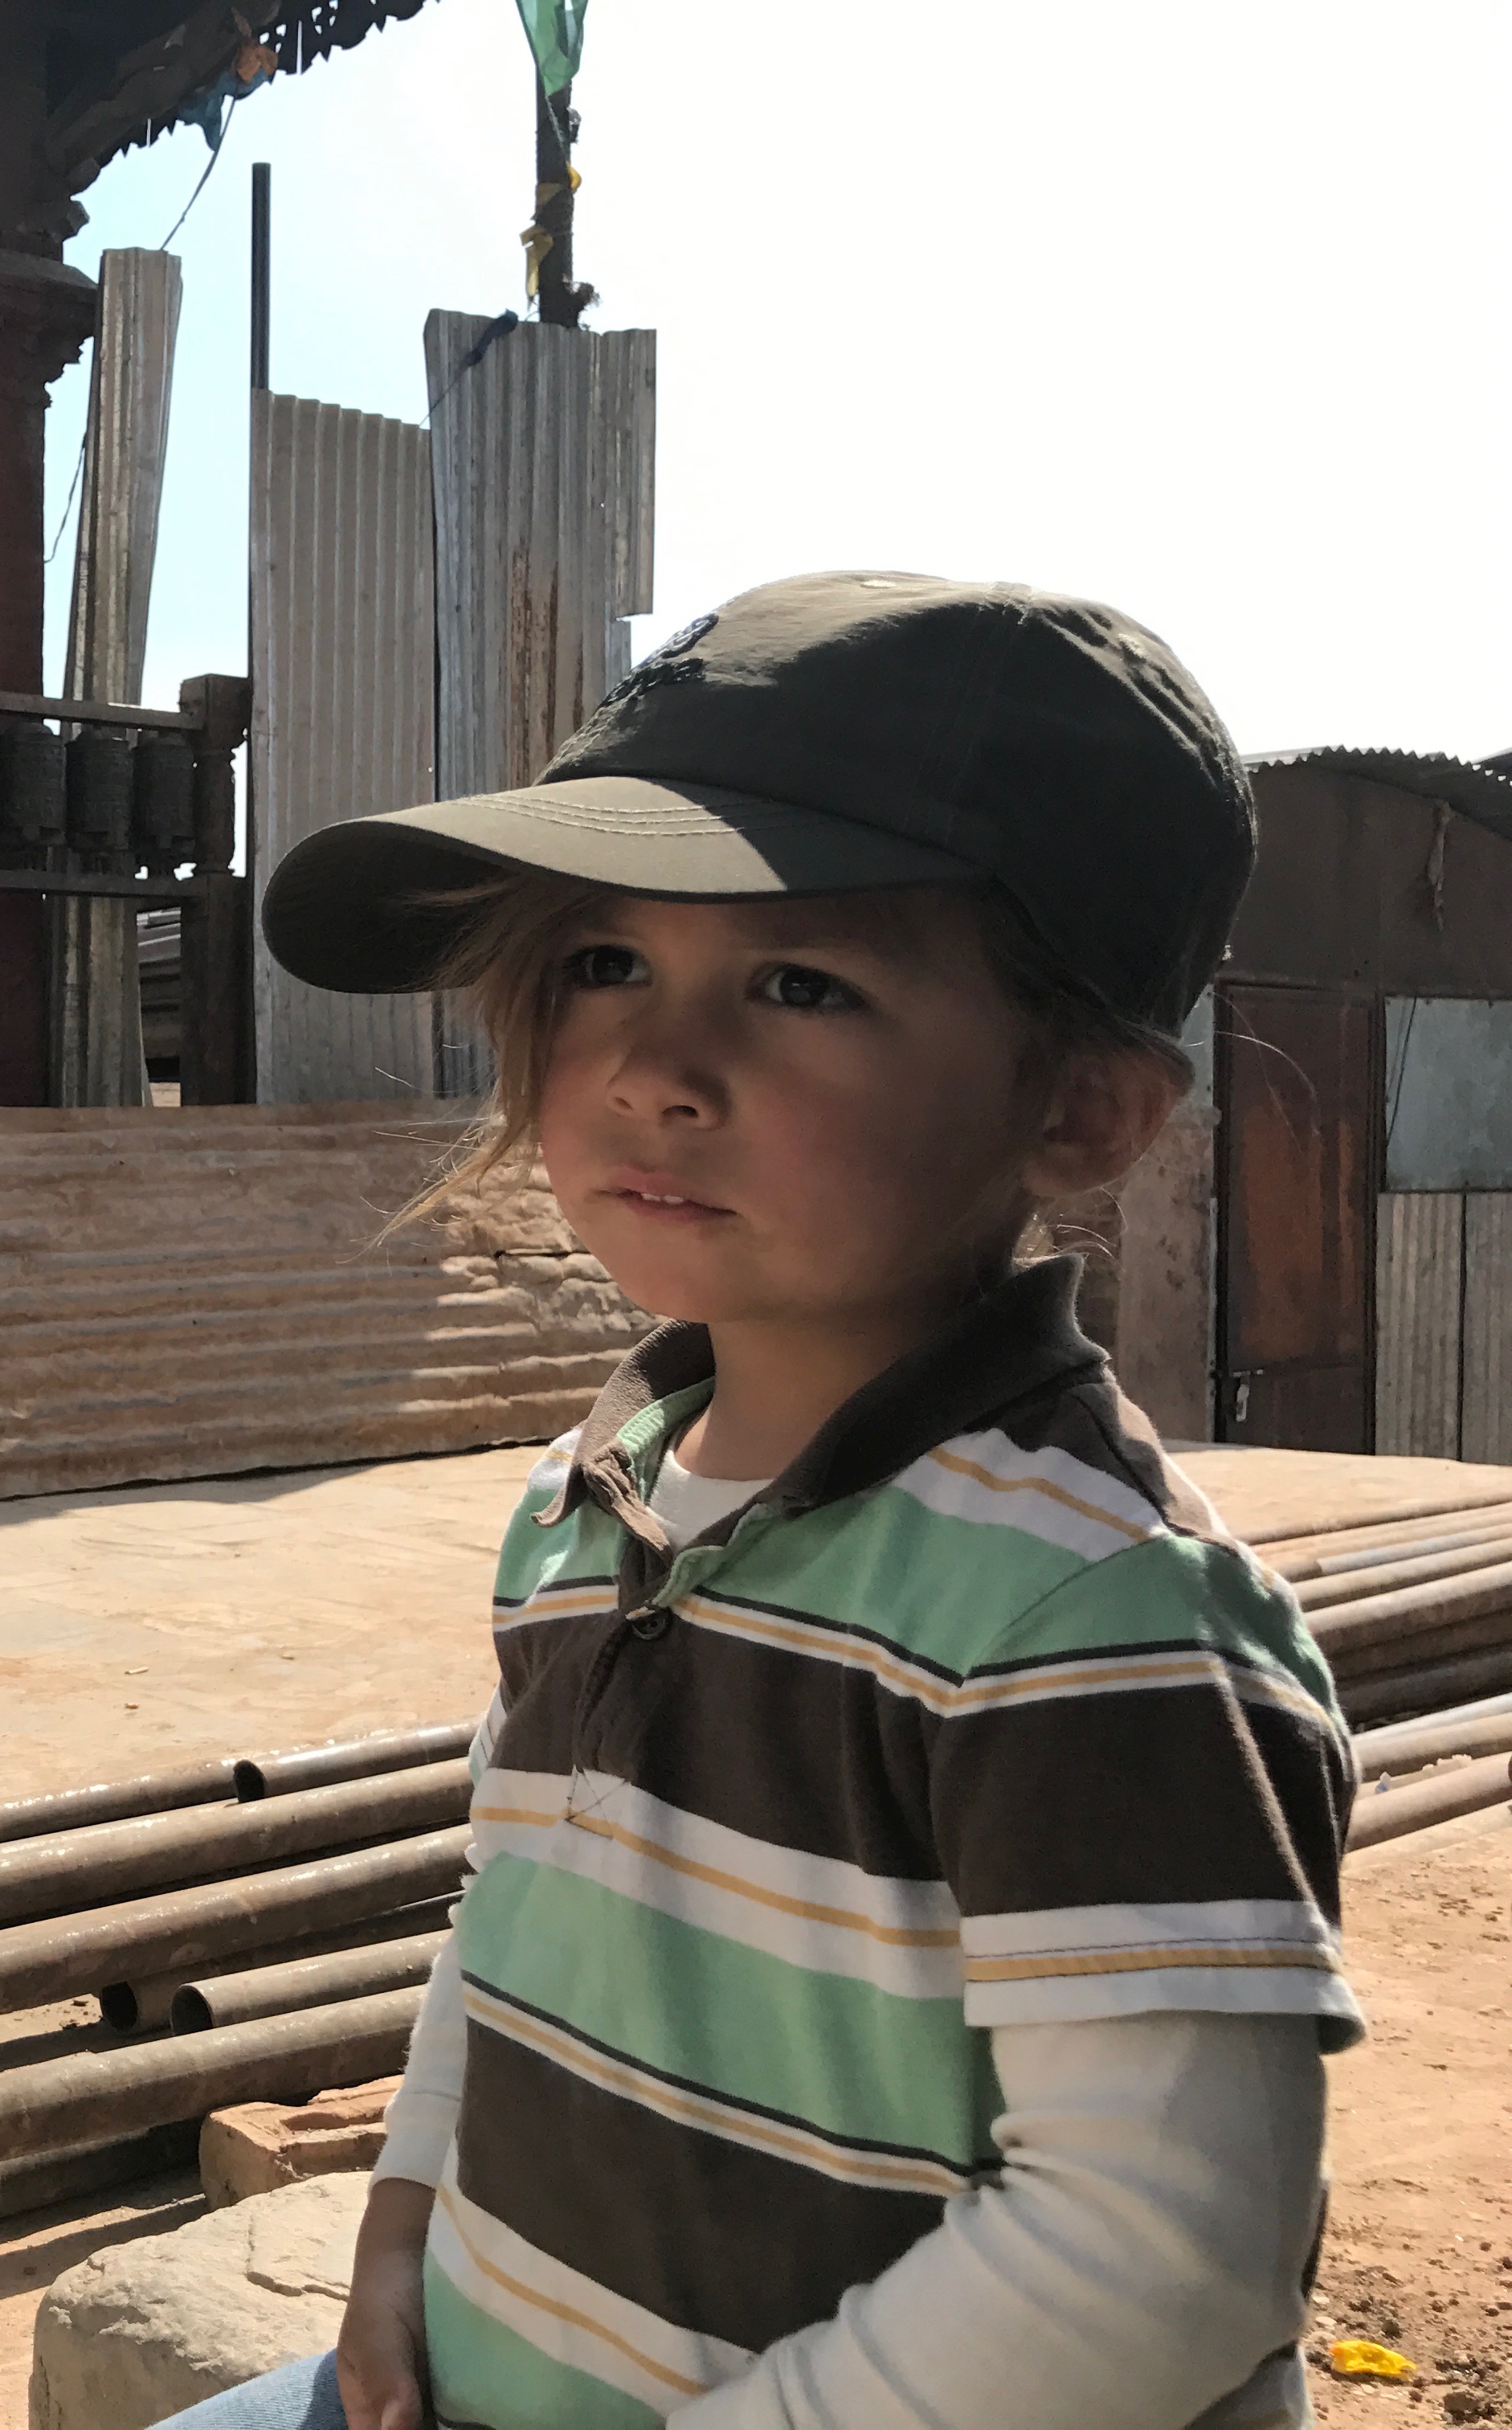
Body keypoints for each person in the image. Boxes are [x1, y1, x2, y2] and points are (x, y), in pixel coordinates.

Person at [168, 571, 1356, 2430]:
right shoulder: (593, 1500)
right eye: (603, 964)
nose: (654, 1069)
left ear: (1080, 1113)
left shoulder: (1090, 1611)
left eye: (800, 985)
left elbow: (1161, 2260)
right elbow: (517, 1919)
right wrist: (403, 2230)